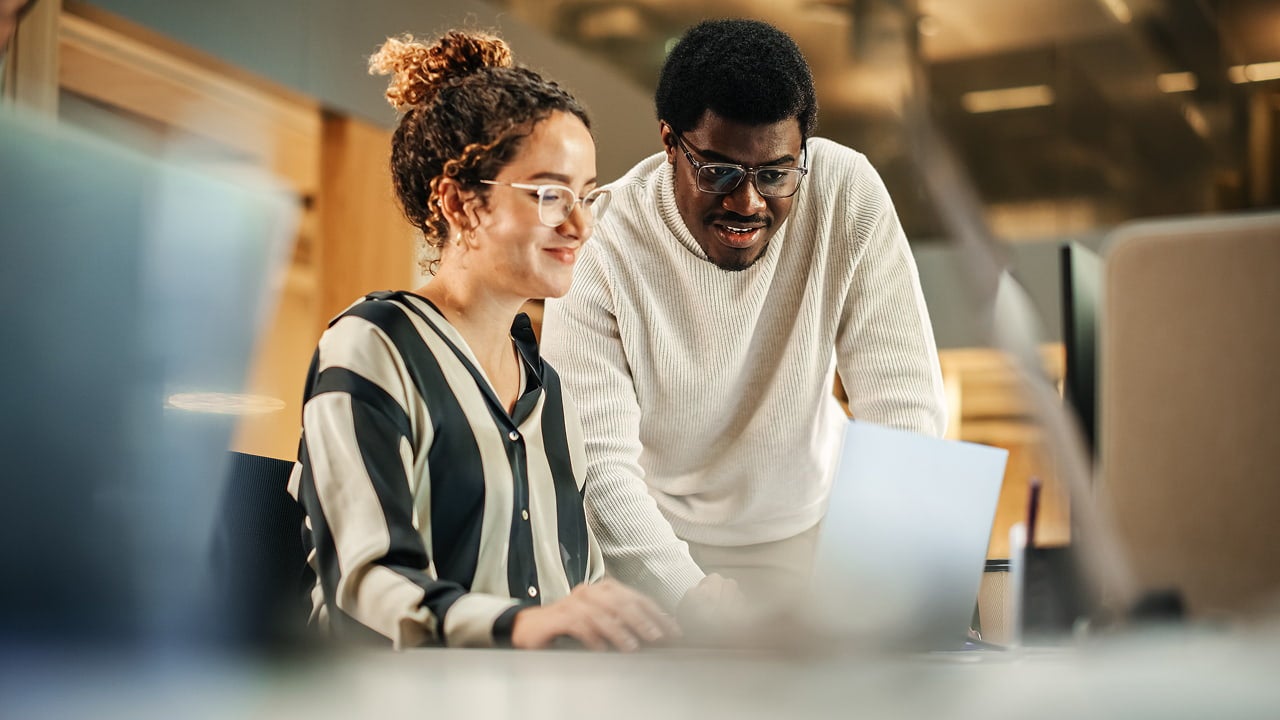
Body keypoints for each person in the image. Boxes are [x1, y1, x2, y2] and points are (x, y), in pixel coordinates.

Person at [541, 19, 948, 614]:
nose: (748, 202)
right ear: (668, 142)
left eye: (775, 174)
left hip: (811, 533)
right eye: (718, 171)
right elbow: (598, 464)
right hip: (654, 545)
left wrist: (877, 583)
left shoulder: (845, 192)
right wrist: (691, 598)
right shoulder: (603, 243)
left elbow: (903, 404)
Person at [288, 30, 678, 651]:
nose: (580, 225)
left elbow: (579, 591)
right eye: (551, 194)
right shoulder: (375, 345)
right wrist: (519, 626)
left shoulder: (549, 392)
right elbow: (365, 583)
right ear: (459, 204)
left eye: (587, 196)